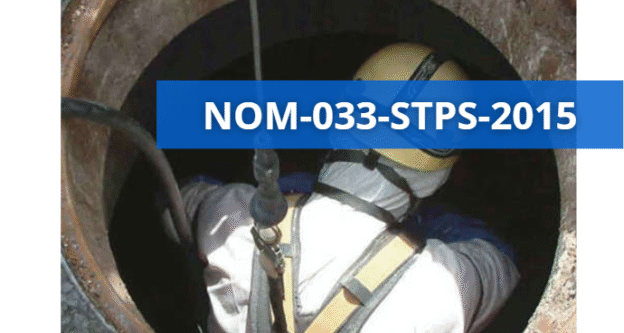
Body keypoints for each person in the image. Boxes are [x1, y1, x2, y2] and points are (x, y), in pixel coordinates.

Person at [163, 43, 520, 333]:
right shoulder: (440, 287)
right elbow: (500, 261)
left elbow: (175, 199)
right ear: (438, 177)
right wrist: (421, 223)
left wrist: (289, 192)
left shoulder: (235, 214)